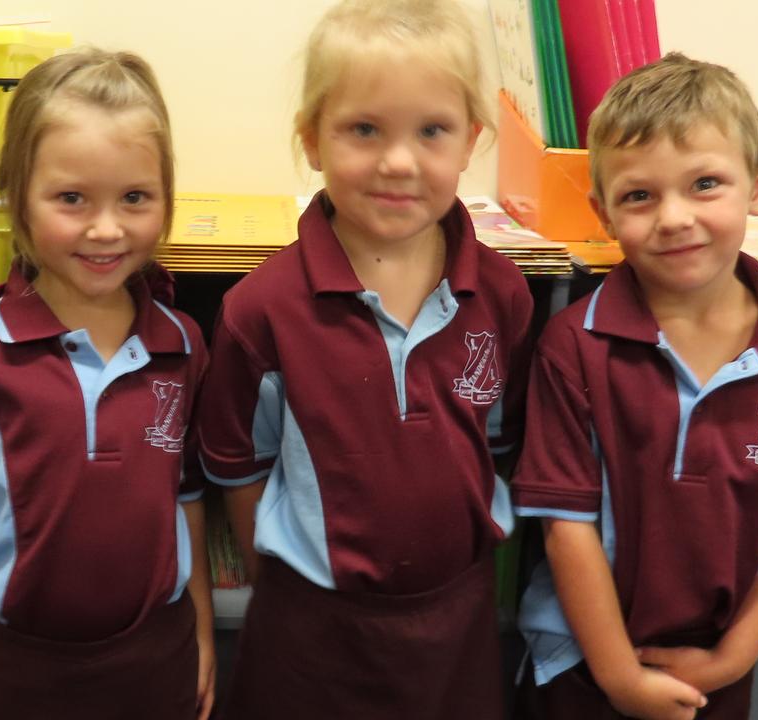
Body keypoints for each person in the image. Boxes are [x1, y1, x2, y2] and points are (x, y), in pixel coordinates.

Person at [194, 1, 534, 717]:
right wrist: (286, 581)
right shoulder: (263, 309)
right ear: (313, 139)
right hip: (309, 628)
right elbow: (239, 466)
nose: (399, 161)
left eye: (432, 130)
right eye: (364, 129)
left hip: (456, 619)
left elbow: (494, 443)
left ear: (471, 139)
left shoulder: (502, 294)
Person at [512, 53, 758, 720]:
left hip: (716, 666)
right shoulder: (574, 344)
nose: (673, 218)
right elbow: (566, 528)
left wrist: (733, 660)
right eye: (639, 195)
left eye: (705, 183)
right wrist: (618, 677)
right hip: (579, 663)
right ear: (604, 212)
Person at [0, 48, 215, 720]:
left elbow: (185, 504)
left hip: (154, 664)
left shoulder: (183, 347)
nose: (106, 229)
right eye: (72, 198)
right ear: (19, 196)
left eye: (135, 198)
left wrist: (199, 635)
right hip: (13, 671)